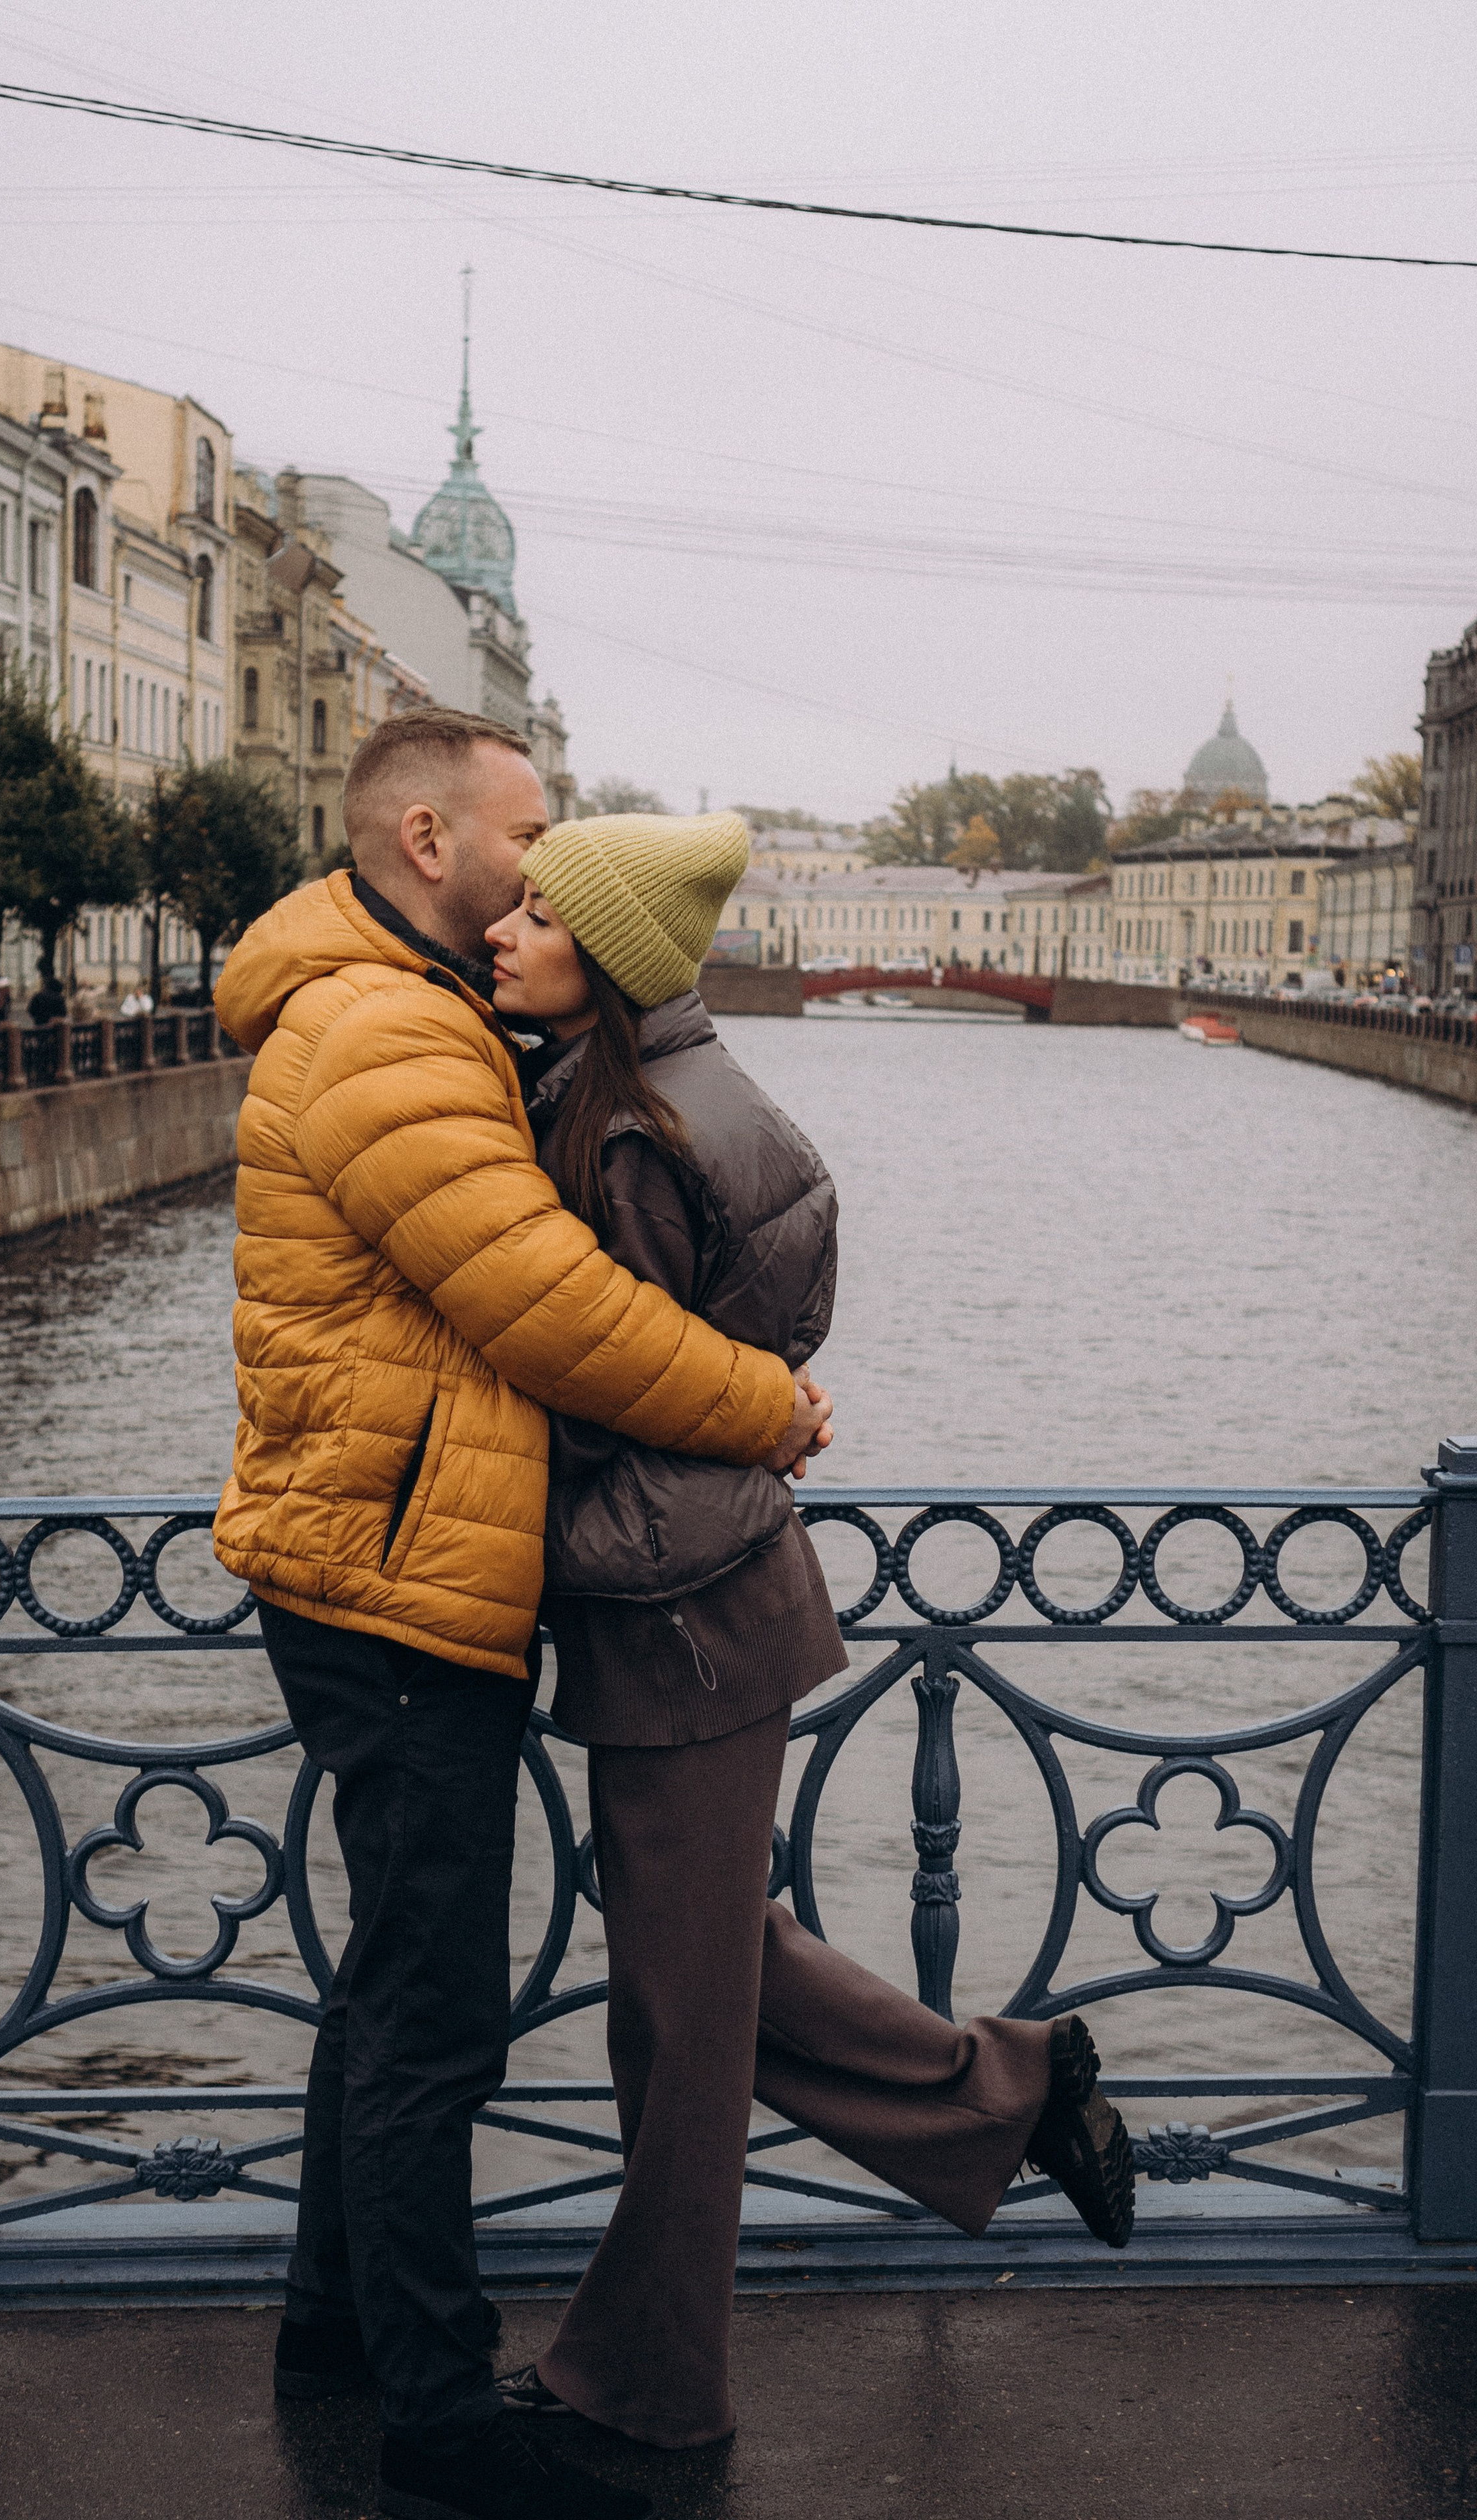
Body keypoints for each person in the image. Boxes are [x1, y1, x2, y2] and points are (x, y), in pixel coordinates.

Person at [211, 711, 831, 2520]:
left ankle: (335, 2328)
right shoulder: (385, 1027)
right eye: (529, 830)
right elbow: (551, 1304)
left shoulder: (402, 1003)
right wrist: (766, 1406)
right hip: (395, 1577)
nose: (543, 864)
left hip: (391, 1553)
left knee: (397, 1978)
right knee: (440, 2015)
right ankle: (437, 2418)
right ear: (426, 840)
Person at [478, 811, 1136, 2452]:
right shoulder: (689, 1097)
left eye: (541, 912)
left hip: (676, 1613)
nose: (503, 923)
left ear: (610, 958)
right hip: (711, 1597)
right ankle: (1011, 2091)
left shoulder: (628, 1131)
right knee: (711, 1972)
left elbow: (610, 1377)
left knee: (679, 2029)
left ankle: (646, 2388)